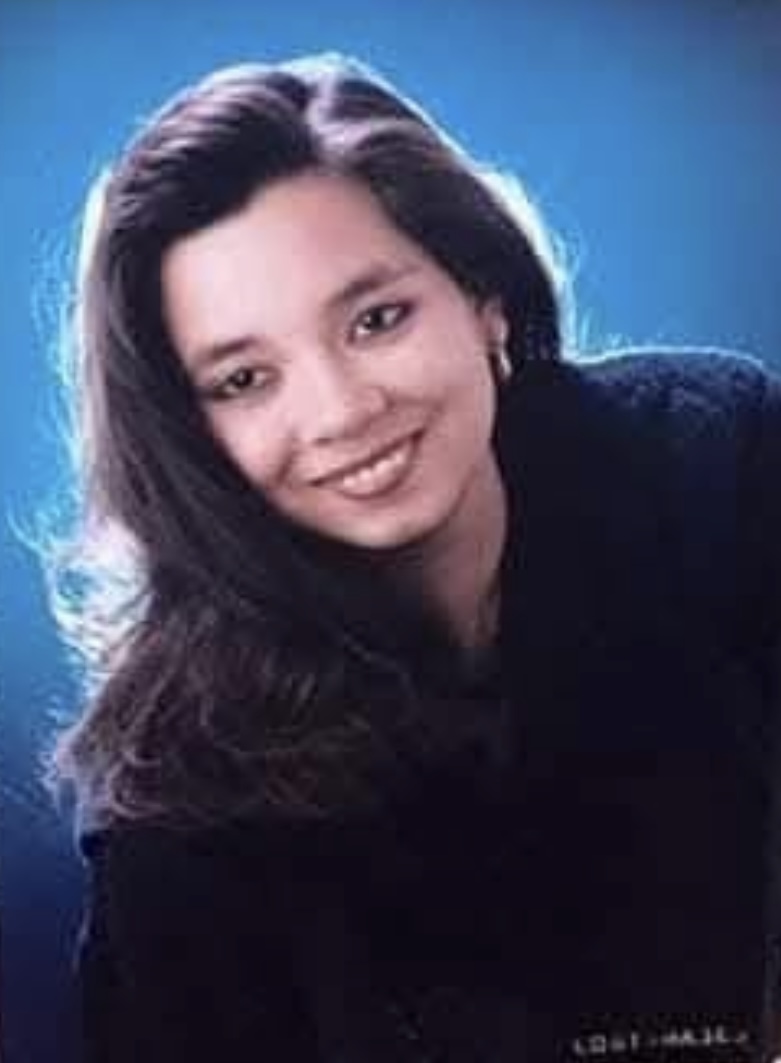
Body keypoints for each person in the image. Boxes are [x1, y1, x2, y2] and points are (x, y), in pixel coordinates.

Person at [45, 52, 781, 1062]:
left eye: (376, 319)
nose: (341, 410)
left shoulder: (712, 463)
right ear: (189, 434)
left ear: (483, 298)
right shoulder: (176, 806)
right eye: (245, 378)